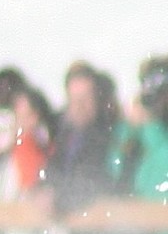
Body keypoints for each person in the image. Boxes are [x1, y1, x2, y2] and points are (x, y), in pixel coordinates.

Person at [111, 55, 168, 202]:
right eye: (165, 94)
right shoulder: (135, 127)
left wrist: (152, 126)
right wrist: (129, 132)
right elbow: (113, 169)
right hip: (137, 214)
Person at [47, 61, 118, 212]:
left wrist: (57, 198)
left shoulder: (109, 134)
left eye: (85, 98)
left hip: (94, 223)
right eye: (75, 99)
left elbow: (93, 180)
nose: (80, 106)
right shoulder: (57, 131)